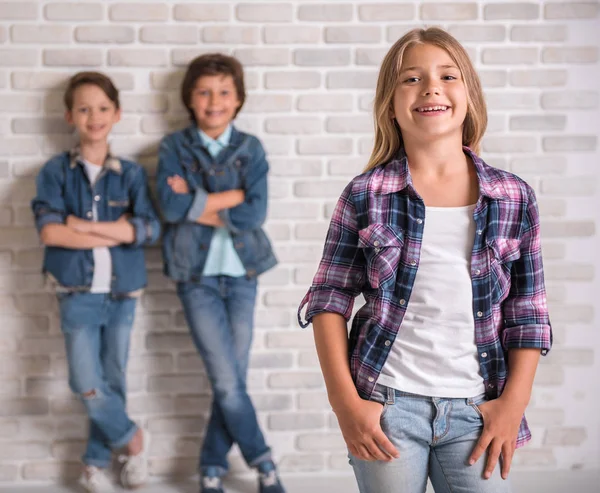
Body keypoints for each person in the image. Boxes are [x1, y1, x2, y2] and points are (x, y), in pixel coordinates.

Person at [298, 27, 552, 493]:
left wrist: (513, 403)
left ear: (469, 94)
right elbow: (328, 300)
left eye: (447, 75)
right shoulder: (365, 195)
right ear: (390, 104)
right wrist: (345, 404)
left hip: (477, 409)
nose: (431, 87)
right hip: (387, 407)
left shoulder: (513, 197)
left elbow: (528, 313)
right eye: (411, 79)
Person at [156, 53, 284, 493]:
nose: (214, 101)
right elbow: (169, 208)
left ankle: (210, 469)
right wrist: (230, 196)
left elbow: (256, 213)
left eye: (224, 92)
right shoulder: (174, 147)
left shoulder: (250, 148)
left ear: (239, 99)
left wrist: (197, 200)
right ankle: (265, 464)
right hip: (196, 278)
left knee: (230, 381)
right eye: (205, 92)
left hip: (244, 274)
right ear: (190, 98)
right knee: (228, 380)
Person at [31, 71, 160, 492]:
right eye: (84, 108)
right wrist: (113, 228)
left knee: (113, 379)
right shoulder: (55, 172)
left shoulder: (131, 174)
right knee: (85, 382)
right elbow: (50, 233)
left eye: (103, 108)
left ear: (117, 114)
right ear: (70, 115)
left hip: (124, 291)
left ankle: (93, 464)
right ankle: (133, 441)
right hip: (77, 292)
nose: (94, 116)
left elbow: (146, 230)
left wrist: (80, 225)